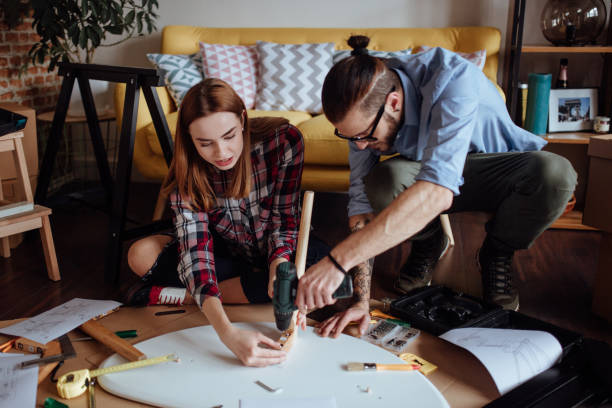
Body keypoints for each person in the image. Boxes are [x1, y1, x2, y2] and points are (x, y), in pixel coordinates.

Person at [296, 35, 577, 337]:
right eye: (351, 138)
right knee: (382, 180)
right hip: (431, 179)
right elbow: (361, 206)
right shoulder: (364, 108)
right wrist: (361, 301)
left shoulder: (452, 78)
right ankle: (428, 243)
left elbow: (437, 191)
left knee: (557, 173)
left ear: (394, 102)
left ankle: (497, 253)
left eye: (364, 135)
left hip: (492, 169)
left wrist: (337, 261)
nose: (360, 147)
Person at [123, 78, 329, 366]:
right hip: (226, 255)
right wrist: (227, 333)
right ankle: (218, 294)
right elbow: (196, 254)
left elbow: (285, 219)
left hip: (272, 248)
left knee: (319, 265)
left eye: (229, 136)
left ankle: (185, 296)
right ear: (189, 137)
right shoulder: (185, 174)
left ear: (243, 119)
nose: (221, 153)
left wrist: (279, 266)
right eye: (205, 143)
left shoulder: (284, 141)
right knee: (140, 254)